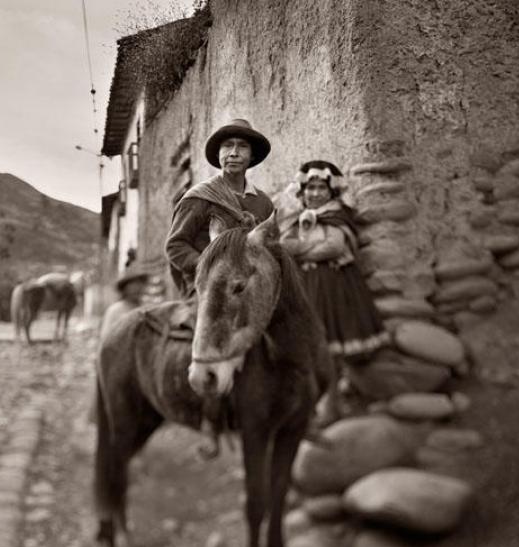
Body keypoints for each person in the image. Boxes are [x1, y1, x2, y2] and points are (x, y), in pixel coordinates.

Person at [278, 160, 389, 411]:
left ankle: (334, 400)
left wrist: (302, 252)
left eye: (321, 188)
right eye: (310, 188)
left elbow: (334, 247)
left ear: (331, 191)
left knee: (331, 340)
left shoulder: (335, 214)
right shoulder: (294, 218)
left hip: (333, 284)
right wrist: (307, 248)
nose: (315, 194)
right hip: (305, 285)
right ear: (302, 190)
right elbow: (285, 246)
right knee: (307, 343)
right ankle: (310, 399)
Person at [165, 118, 274, 298]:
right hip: (207, 288)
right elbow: (175, 246)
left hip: (252, 289)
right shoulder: (199, 197)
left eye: (242, 146)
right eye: (227, 146)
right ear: (218, 154)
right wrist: (211, 266)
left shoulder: (263, 203)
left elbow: (271, 247)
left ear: (252, 156)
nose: (234, 153)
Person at [99, 265, 150, 342]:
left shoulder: (147, 309)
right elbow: (106, 337)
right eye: (132, 287)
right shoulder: (115, 310)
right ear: (124, 290)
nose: (137, 289)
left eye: (140, 285)